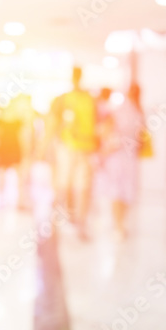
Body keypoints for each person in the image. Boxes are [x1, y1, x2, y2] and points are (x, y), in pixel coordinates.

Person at [48, 66, 97, 238]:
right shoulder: (67, 99)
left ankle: (79, 223)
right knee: (67, 185)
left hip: (82, 148)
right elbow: (54, 123)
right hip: (69, 147)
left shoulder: (86, 99)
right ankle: (60, 221)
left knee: (78, 186)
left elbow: (96, 123)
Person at [103, 84, 145, 239]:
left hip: (122, 156)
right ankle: (119, 225)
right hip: (124, 156)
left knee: (121, 191)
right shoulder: (133, 110)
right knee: (122, 191)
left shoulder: (128, 110)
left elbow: (111, 132)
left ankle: (118, 225)